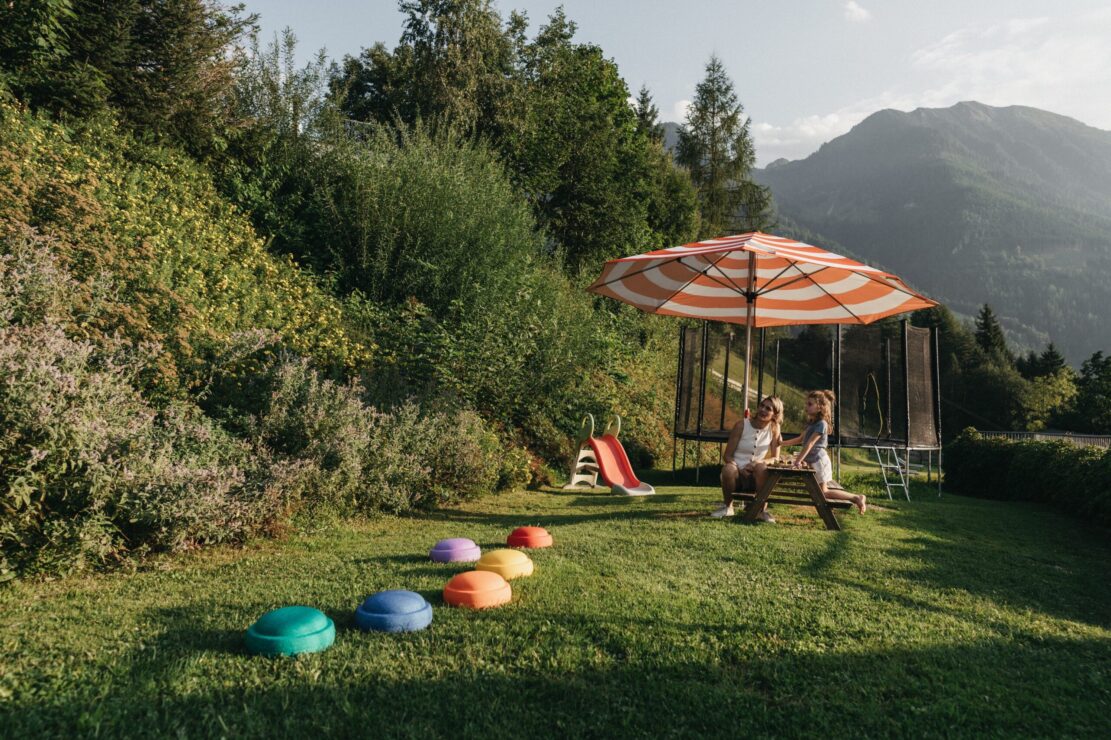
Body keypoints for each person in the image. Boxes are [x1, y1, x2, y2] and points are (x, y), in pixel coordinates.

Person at [782, 390, 867, 513]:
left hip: (819, 462)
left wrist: (797, 461)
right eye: (806, 404)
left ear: (820, 407)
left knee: (824, 492)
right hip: (813, 461)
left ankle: (856, 497)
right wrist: (782, 443)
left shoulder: (821, 424)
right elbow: (801, 439)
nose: (806, 407)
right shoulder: (812, 423)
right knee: (818, 491)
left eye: (810, 404)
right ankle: (855, 498)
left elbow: (810, 444)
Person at [712, 395, 784, 520]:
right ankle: (728, 507)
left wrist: (758, 462)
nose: (763, 410)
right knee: (728, 469)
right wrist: (740, 469)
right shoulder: (741, 425)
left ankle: (761, 510)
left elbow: (776, 458)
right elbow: (727, 455)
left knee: (762, 468)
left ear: (775, 414)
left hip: (757, 475)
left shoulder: (774, 428)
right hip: (737, 475)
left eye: (768, 409)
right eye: (762, 406)